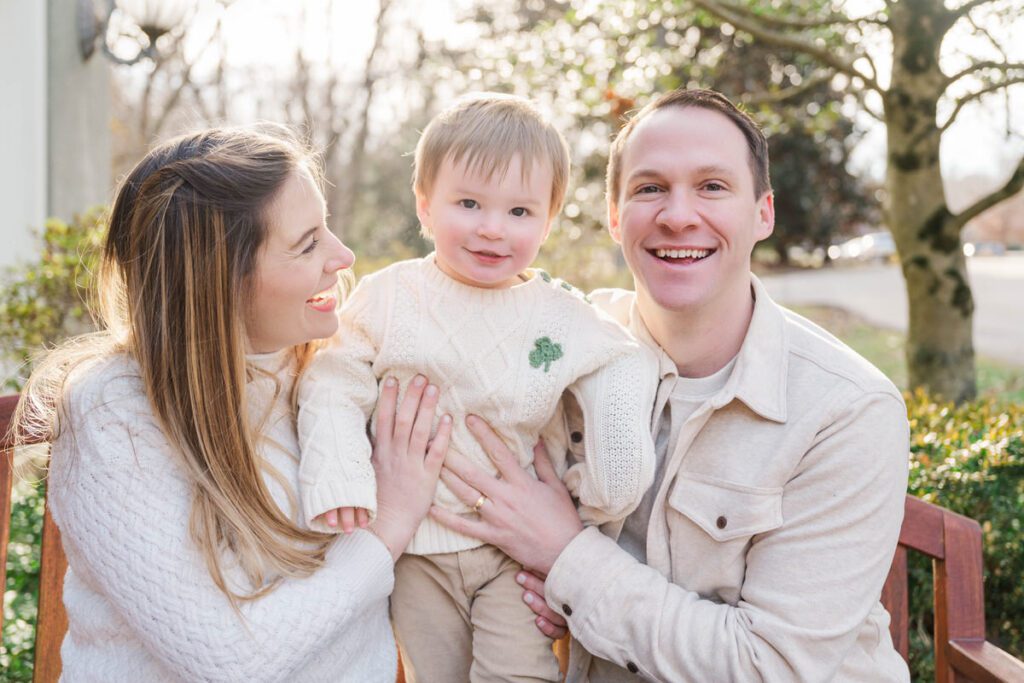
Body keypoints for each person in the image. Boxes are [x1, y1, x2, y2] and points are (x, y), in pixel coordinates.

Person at [432, 88, 912, 682]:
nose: (678, 215)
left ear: (764, 212)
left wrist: (567, 561)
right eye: (649, 188)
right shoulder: (553, 349)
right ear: (614, 216)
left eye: (712, 186)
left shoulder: (846, 410)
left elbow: (770, 669)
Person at [11, 126, 449, 681]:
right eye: (307, 243)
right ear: (220, 284)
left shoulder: (332, 367)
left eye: (327, 228)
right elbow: (229, 660)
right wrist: (387, 527)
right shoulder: (113, 416)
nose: (343, 255)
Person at [295, 93, 658, 681]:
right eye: (468, 203)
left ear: (549, 217)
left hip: (513, 553)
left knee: (520, 673)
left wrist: (610, 478)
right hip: (415, 549)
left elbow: (622, 359)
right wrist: (338, 474)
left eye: (520, 212)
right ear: (425, 206)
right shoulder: (390, 298)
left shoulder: (558, 314)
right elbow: (334, 379)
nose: (493, 229)